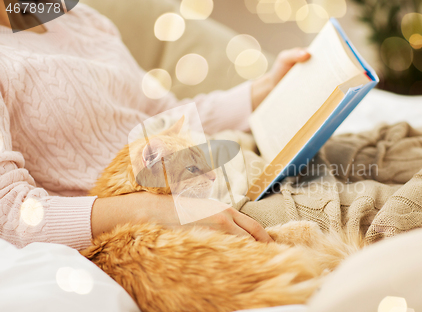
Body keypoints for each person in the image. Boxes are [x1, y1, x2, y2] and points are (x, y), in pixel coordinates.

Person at [0, 1, 311, 249]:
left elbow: (162, 118)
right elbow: (10, 213)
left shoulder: (79, 18)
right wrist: (153, 211)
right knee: (343, 211)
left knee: (345, 156)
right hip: (141, 232)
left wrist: (263, 90)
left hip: (198, 183)